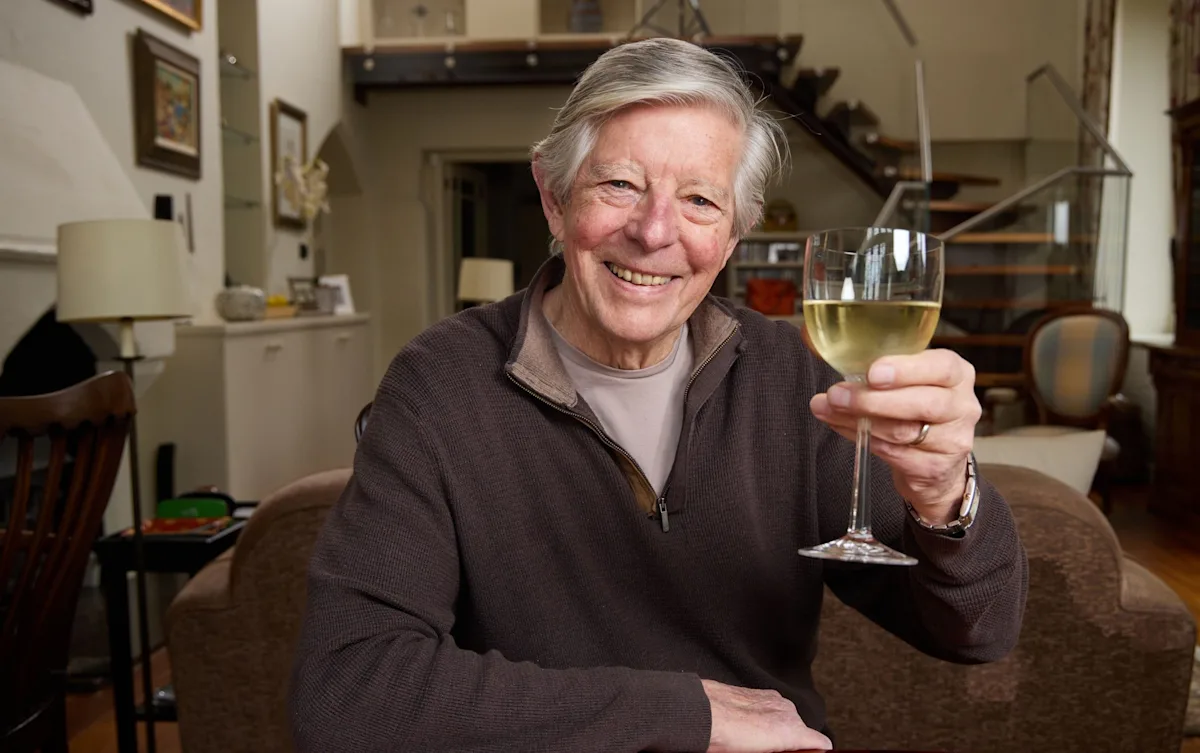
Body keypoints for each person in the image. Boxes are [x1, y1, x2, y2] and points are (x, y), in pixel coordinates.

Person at [289, 37, 1028, 753]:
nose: (653, 231)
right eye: (619, 184)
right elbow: (348, 694)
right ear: (554, 197)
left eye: (700, 199)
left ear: (733, 235)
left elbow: (979, 632)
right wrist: (684, 714)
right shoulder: (439, 384)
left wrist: (946, 496)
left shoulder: (789, 375)